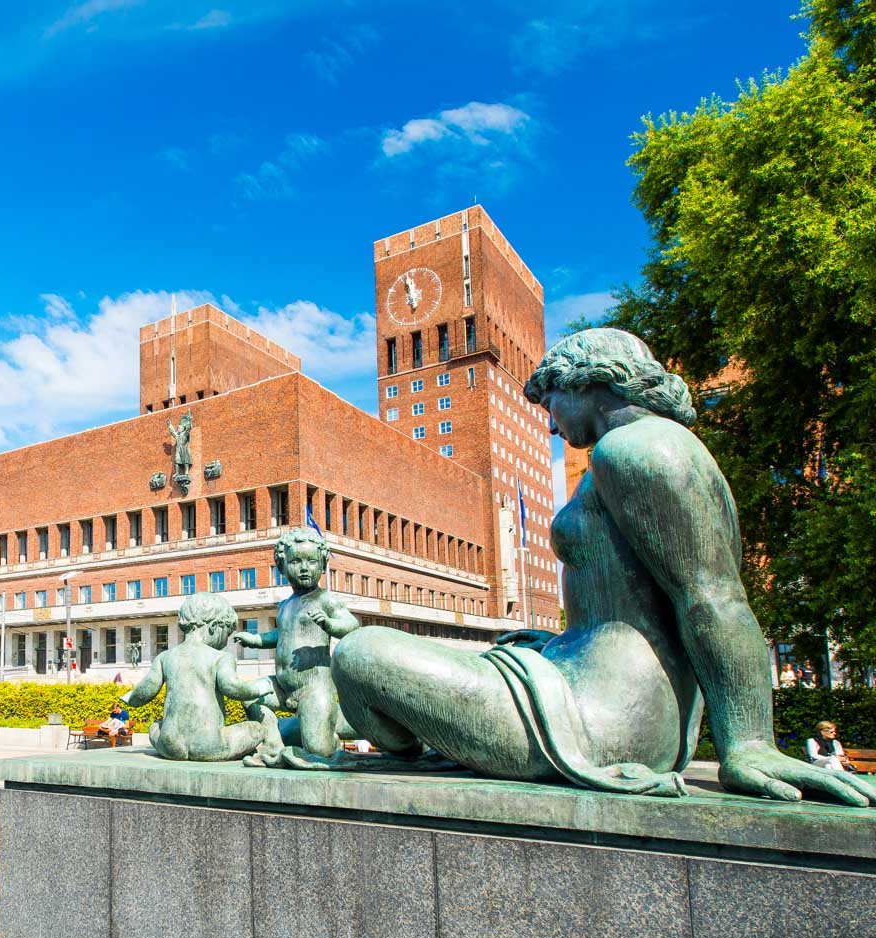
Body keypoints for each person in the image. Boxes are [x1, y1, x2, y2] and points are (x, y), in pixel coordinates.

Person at [331, 328, 876, 807]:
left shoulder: (637, 450)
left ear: (589, 384)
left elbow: (714, 597)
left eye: (552, 406)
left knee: (360, 652)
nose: (550, 427)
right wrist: (555, 640)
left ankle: (411, 748)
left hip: (600, 717)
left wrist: (750, 744)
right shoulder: (646, 448)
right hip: (585, 688)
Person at [234, 527, 359, 757]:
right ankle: (273, 740)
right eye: (296, 561)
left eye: (312, 562)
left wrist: (330, 625)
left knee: (318, 750)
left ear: (322, 565)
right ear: (282, 566)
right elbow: (279, 635)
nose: (304, 568)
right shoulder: (284, 605)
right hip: (282, 687)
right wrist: (254, 639)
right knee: (249, 694)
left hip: (314, 688)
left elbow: (352, 625)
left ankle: (340, 725)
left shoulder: (326, 600)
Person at [120, 593, 283, 762]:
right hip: (211, 745)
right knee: (257, 729)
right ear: (214, 627)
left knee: (155, 727)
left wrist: (130, 698)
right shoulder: (220, 657)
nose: (225, 642)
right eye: (226, 634)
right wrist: (259, 688)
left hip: (170, 745)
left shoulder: (165, 657)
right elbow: (232, 688)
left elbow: (145, 690)